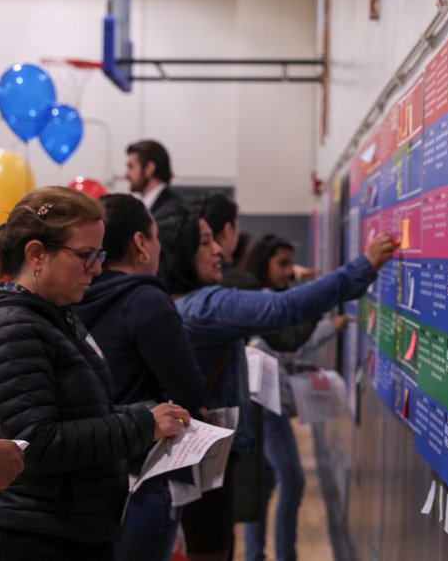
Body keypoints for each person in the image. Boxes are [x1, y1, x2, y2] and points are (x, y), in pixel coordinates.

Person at [159, 200, 396, 561]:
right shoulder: (204, 306)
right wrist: (362, 267)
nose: (219, 250)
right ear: (181, 253)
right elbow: (283, 310)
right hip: (202, 458)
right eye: (205, 243)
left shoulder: (178, 303)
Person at [0, 187, 189, 560]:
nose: (96, 267)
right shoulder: (11, 326)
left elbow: (78, 414)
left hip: (64, 529)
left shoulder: (53, 316)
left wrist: (144, 414)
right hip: (30, 537)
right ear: (36, 254)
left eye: (100, 255)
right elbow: (36, 444)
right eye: (85, 255)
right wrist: (142, 426)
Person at [73, 194, 206, 561]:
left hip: (83, 476)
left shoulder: (68, 297)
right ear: (140, 243)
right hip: (142, 480)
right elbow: (187, 394)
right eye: (156, 235)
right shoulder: (145, 300)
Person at [240, 234, 349, 561]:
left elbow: (283, 355)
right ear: (264, 263)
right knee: (292, 480)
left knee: (265, 485)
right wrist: (330, 325)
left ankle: (256, 555)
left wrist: (301, 365)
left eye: (290, 264)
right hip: (265, 404)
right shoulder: (261, 302)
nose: (289, 271)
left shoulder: (263, 299)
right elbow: (289, 344)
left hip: (264, 401)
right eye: (282, 264)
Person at [126, 140, 185, 242]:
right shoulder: (151, 208)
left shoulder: (173, 212)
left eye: (131, 167)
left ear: (149, 168)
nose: (126, 174)